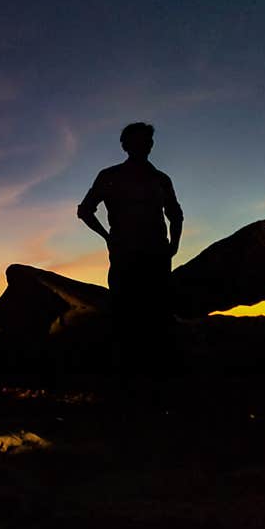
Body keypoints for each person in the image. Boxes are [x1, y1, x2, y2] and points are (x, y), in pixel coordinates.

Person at [77, 122, 183, 372]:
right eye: (137, 141)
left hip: (156, 253)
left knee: (156, 312)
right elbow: (85, 210)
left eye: (146, 141)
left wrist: (174, 245)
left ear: (151, 145)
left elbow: (175, 214)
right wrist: (107, 237)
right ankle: (127, 372)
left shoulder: (160, 179)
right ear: (125, 145)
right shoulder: (110, 176)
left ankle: (155, 372)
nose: (143, 145)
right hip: (127, 254)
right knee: (126, 311)